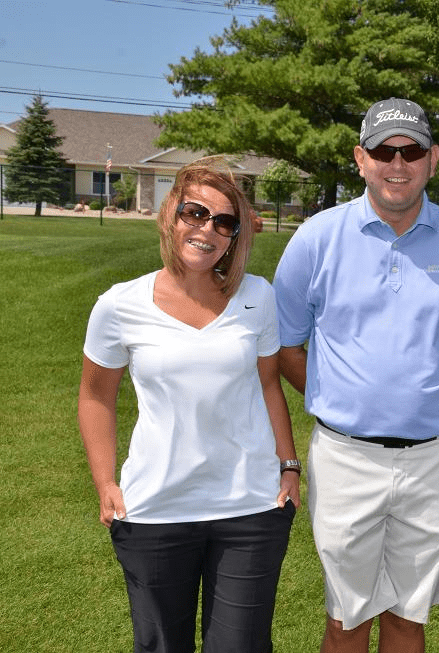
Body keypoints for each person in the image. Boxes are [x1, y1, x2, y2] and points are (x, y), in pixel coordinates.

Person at [272, 97, 439, 653]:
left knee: (409, 618)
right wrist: (338, 395)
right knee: (346, 619)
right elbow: (283, 345)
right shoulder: (316, 238)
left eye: (411, 151)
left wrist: (437, 395)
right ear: (361, 158)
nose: (397, 164)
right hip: (345, 458)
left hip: (434, 460)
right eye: (383, 151)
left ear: (433, 159)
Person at [78, 156, 300, 653]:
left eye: (224, 221)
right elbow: (96, 396)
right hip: (155, 509)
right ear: (170, 215)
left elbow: (269, 385)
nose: (207, 229)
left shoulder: (257, 296)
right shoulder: (119, 305)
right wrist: (105, 482)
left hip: (250, 510)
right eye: (195, 212)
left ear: (235, 235)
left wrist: (289, 466)